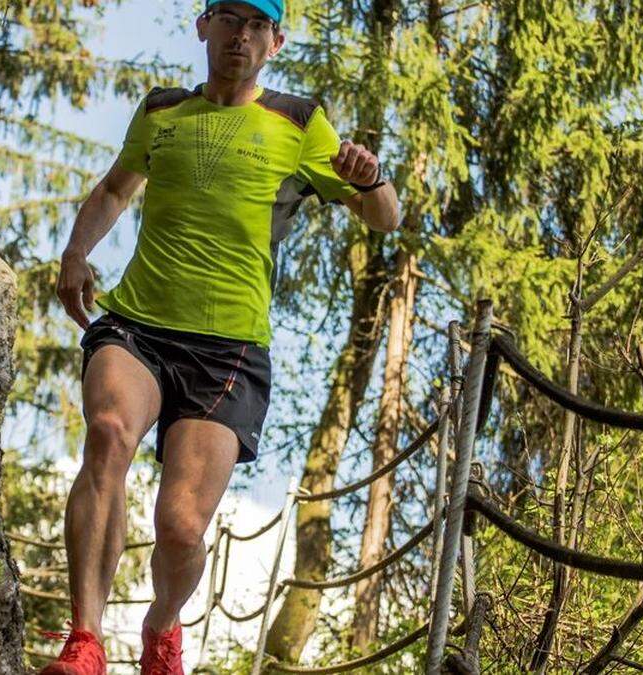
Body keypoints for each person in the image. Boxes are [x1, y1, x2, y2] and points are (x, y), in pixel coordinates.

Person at [40, 0, 399, 672]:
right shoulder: (161, 110)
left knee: (179, 527)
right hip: (137, 323)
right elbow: (116, 188)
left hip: (228, 349)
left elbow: (383, 217)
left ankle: (161, 626)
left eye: (258, 24)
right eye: (230, 18)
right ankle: (84, 640)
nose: (243, 35)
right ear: (203, 26)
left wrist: (370, 177)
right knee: (108, 431)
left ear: (277, 41)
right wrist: (76, 252)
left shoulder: (299, 121)